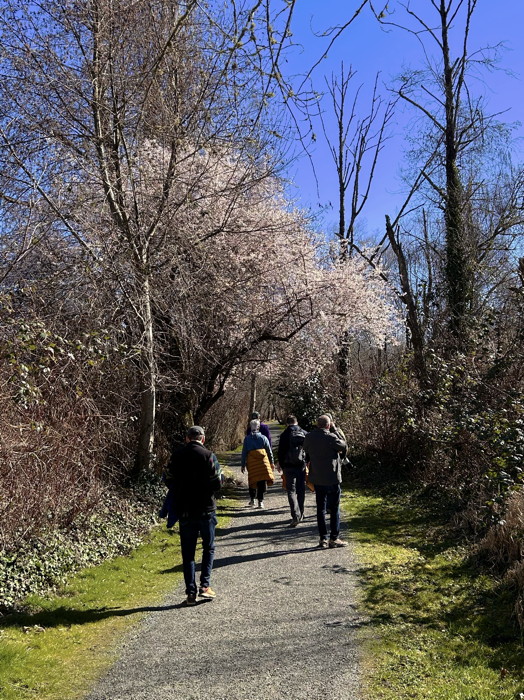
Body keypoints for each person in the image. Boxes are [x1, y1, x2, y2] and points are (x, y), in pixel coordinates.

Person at [165, 425, 222, 606]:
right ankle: (205, 586)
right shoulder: (208, 456)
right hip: (206, 509)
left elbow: (167, 478)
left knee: (188, 553)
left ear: (187, 438)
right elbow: (217, 482)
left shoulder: (177, 456)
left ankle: (190, 592)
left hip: (185, 510)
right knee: (208, 547)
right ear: (203, 439)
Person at [303, 414, 348, 549]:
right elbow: (344, 446)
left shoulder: (309, 437)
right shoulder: (332, 437)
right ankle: (334, 538)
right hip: (332, 478)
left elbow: (306, 449)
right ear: (329, 425)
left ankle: (323, 538)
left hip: (317, 477)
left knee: (320, 509)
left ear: (317, 425)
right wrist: (335, 430)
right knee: (334, 509)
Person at [277, 415, 308, 526]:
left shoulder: (285, 435)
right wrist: (307, 461)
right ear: (297, 422)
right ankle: (301, 513)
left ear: (287, 423)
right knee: (301, 490)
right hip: (301, 465)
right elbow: (309, 448)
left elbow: (281, 452)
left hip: (288, 466)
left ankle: (295, 515)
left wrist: (280, 464)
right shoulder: (304, 432)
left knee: (291, 491)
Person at [241, 418, 275, 509]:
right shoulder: (263, 438)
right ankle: (261, 501)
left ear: (251, 427)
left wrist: (243, 464)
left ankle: (252, 500)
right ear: (258, 427)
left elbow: (244, 452)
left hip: (252, 463)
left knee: (252, 479)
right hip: (262, 462)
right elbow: (269, 451)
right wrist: (272, 462)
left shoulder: (247, 439)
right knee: (262, 480)